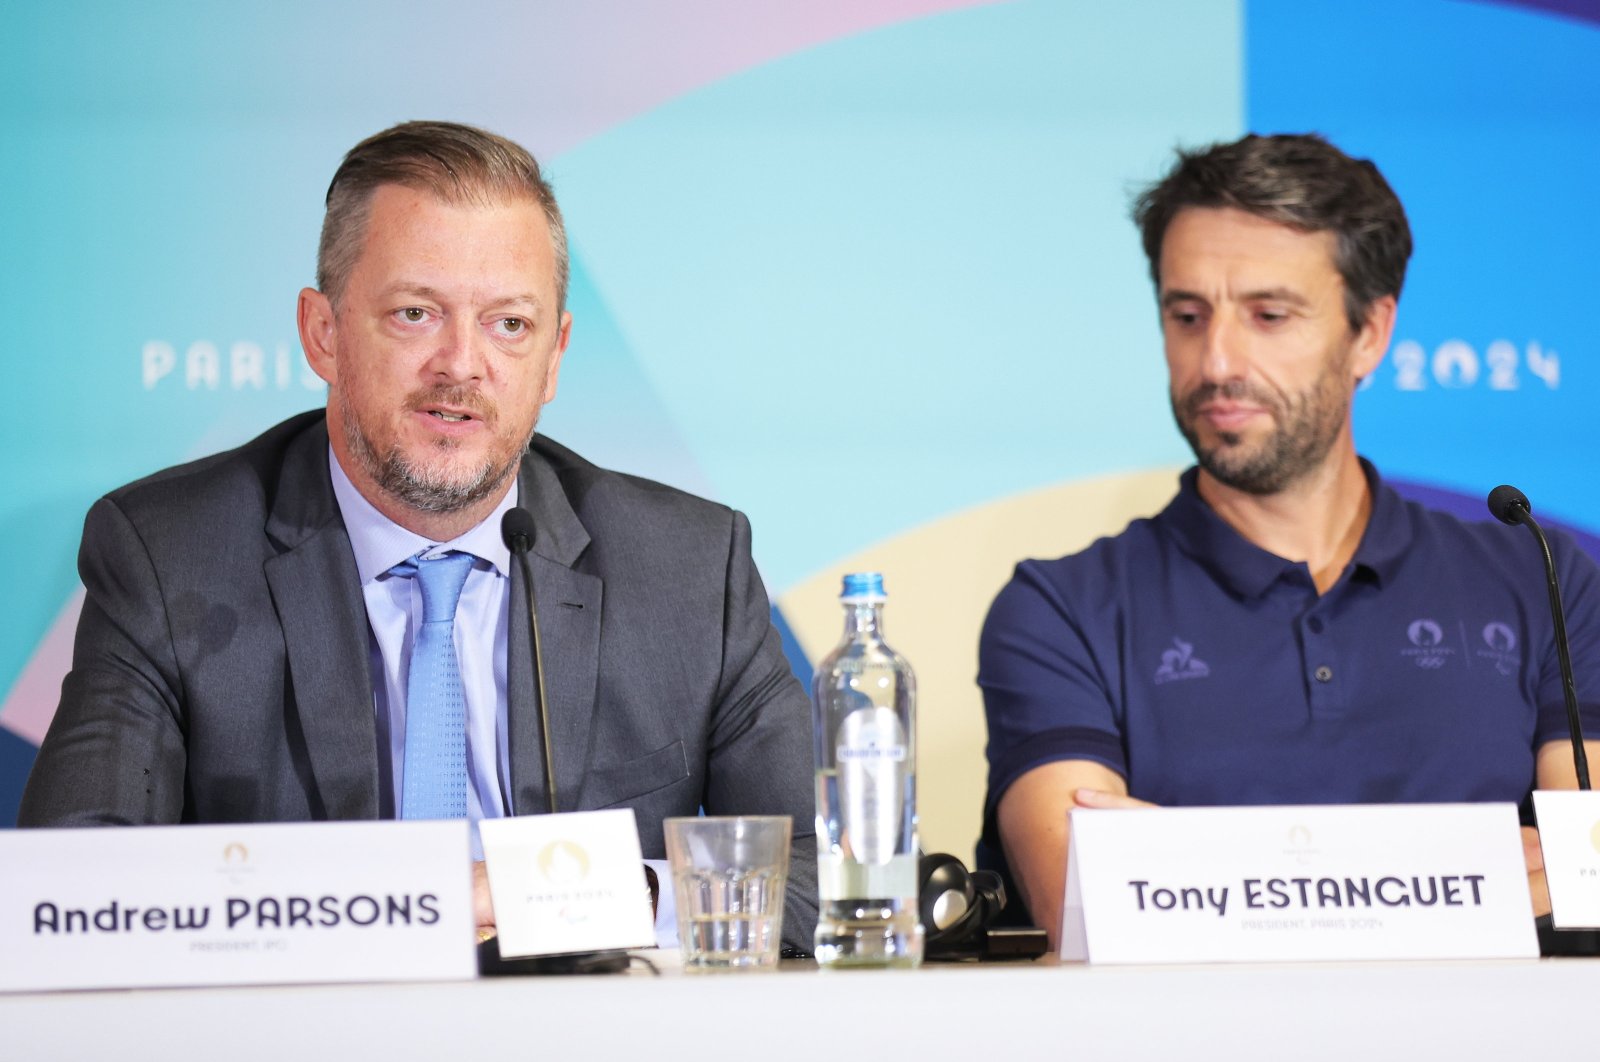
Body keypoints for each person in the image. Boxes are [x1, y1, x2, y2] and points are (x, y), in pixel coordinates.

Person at [19, 121, 818, 949]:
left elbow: (826, 874)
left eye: (509, 324)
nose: (462, 365)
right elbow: (72, 891)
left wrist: (580, 897)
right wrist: (376, 912)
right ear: (323, 333)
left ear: (554, 357)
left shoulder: (686, 568)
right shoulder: (172, 556)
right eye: (415, 313)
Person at [977, 133, 1600, 947]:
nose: (1219, 361)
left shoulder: (1541, 577)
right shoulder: (1061, 609)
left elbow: (1586, 884)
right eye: (1187, 315)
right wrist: (1462, 877)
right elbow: (1084, 908)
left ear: (1371, 333)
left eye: (1269, 315)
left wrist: (1183, 871)